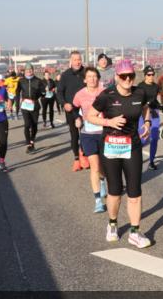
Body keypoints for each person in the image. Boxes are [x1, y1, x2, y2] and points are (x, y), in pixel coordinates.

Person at [87, 60, 154, 247]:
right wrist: (109, 122)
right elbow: (90, 116)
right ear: (117, 76)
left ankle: (135, 232)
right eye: (123, 76)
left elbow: (146, 108)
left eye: (130, 75)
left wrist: (147, 123)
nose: (127, 79)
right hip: (111, 147)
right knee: (115, 192)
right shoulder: (106, 95)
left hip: (132, 146)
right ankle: (112, 224)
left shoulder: (140, 93)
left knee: (135, 193)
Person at [73, 67, 108, 213]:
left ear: (98, 78)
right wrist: (77, 118)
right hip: (88, 133)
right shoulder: (80, 94)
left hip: (104, 132)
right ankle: (98, 201)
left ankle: (103, 180)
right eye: (89, 76)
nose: (92, 79)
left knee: (102, 166)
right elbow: (74, 108)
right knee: (94, 166)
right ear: (85, 79)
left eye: (94, 76)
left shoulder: (105, 92)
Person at [57, 51, 87, 172]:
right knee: (74, 135)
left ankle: (83, 154)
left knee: (86, 134)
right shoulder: (65, 75)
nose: (77, 62)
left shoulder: (86, 73)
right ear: (71, 61)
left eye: (79, 59)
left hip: (86, 109)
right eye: (75, 59)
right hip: (71, 109)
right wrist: (64, 104)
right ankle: (76, 159)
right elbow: (59, 92)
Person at [18, 64, 46, 153]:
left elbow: (43, 93)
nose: (29, 71)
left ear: (33, 70)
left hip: (35, 105)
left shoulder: (38, 81)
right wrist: (17, 103)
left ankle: (32, 141)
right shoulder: (21, 81)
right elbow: (17, 92)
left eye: (30, 69)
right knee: (27, 124)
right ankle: (28, 144)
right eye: (27, 70)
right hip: (25, 105)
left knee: (34, 124)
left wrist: (39, 96)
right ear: (24, 71)